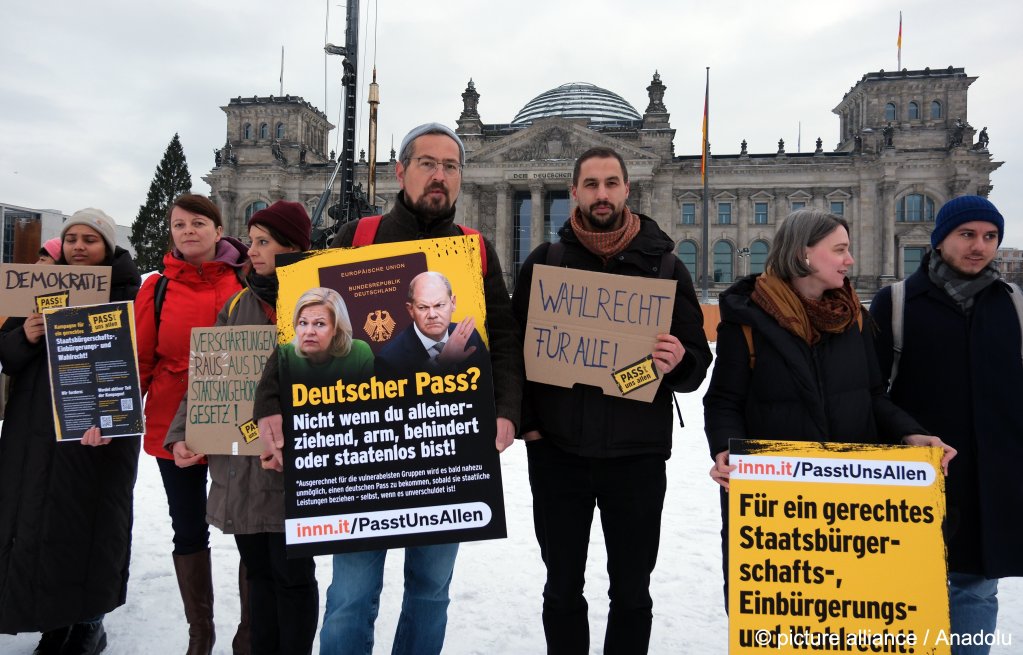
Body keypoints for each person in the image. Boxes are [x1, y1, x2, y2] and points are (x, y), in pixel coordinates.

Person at [284, 122, 523, 655]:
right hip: (362, 454)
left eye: (451, 166)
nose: (440, 176)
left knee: (431, 591)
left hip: (446, 450)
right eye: (427, 164)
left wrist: (505, 409)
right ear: (401, 171)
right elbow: (307, 325)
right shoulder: (359, 236)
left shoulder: (475, 249)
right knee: (350, 592)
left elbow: (503, 337)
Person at [511, 147, 713, 654]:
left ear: (627, 190)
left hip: (638, 458)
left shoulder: (666, 268)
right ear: (574, 191)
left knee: (632, 592)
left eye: (612, 183)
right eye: (592, 184)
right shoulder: (544, 264)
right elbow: (514, 357)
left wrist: (678, 360)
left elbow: (696, 367)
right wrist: (531, 430)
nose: (602, 194)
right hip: (558, 456)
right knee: (561, 589)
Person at [704, 209, 955, 603]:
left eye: (849, 249)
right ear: (804, 255)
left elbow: (872, 393)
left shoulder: (853, 317)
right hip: (776, 508)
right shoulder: (746, 321)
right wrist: (725, 449)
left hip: (849, 505)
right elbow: (723, 401)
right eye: (839, 250)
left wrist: (910, 432)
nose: (850, 260)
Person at [165, 200, 321, 655]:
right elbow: (208, 379)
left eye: (262, 242)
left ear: (292, 247)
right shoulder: (238, 304)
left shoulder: (323, 303)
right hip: (245, 467)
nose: (250, 251)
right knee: (257, 575)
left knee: (293, 577)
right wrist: (184, 434)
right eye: (250, 241)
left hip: (294, 470)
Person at [870, 195, 1022, 655]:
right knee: (907, 589)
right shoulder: (896, 303)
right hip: (920, 473)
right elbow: (871, 392)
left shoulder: (1012, 304)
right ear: (940, 240)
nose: (980, 246)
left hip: (990, 478)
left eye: (990, 236)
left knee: (976, 589)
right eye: (967, 234)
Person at [0, 209, 142, 654]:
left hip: (98, 433)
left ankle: (88, 622)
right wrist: (25, 333)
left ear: (108, 246)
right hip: (34, 432)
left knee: (94, 525)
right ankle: (52, 621)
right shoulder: (40, 289)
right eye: (73, 238)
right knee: (41, 526)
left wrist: (109, 417)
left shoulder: (131, 292)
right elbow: (8, 357)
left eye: (91, 239)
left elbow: (143, 361)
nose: (80, 246)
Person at [134, 194, 248, 655]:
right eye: (179, 225)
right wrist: (107, 416)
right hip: (171, 423)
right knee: (187, 526)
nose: (188, 231)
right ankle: (200, 631)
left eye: (198, 223)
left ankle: (251, 632)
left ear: (218, 230)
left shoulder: (246, 280)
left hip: (235, 419)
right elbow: (140, 359)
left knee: (249, 526)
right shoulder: (156, 288)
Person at [374, 271, 489, 379]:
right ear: (410, 310)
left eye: (439, 305)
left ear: (453, 303)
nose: (432, 315)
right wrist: (441, 363)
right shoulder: (389, 359)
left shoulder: (471, 336)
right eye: (423, 307)